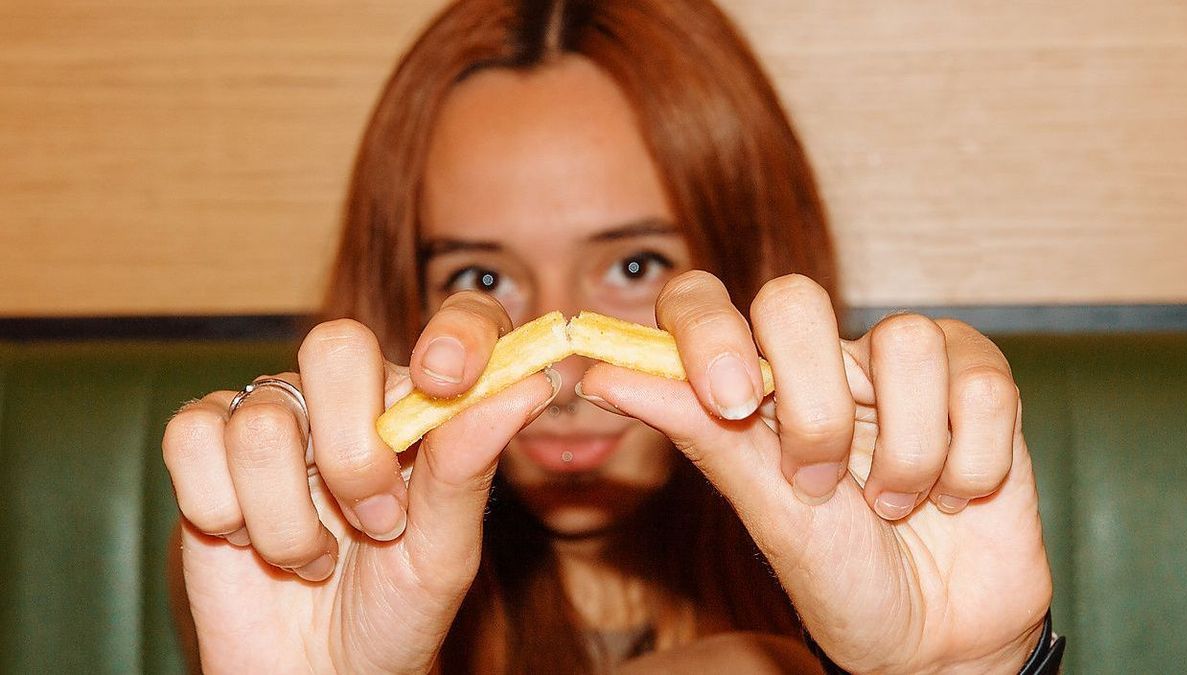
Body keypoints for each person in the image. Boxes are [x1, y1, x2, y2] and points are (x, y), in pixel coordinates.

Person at [163, 0, 1059, 672]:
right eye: (480, 277)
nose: (559, 368)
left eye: (634, 265)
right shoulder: (295, 578)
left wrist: (963, 668)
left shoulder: (895, 531)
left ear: (746, 253)